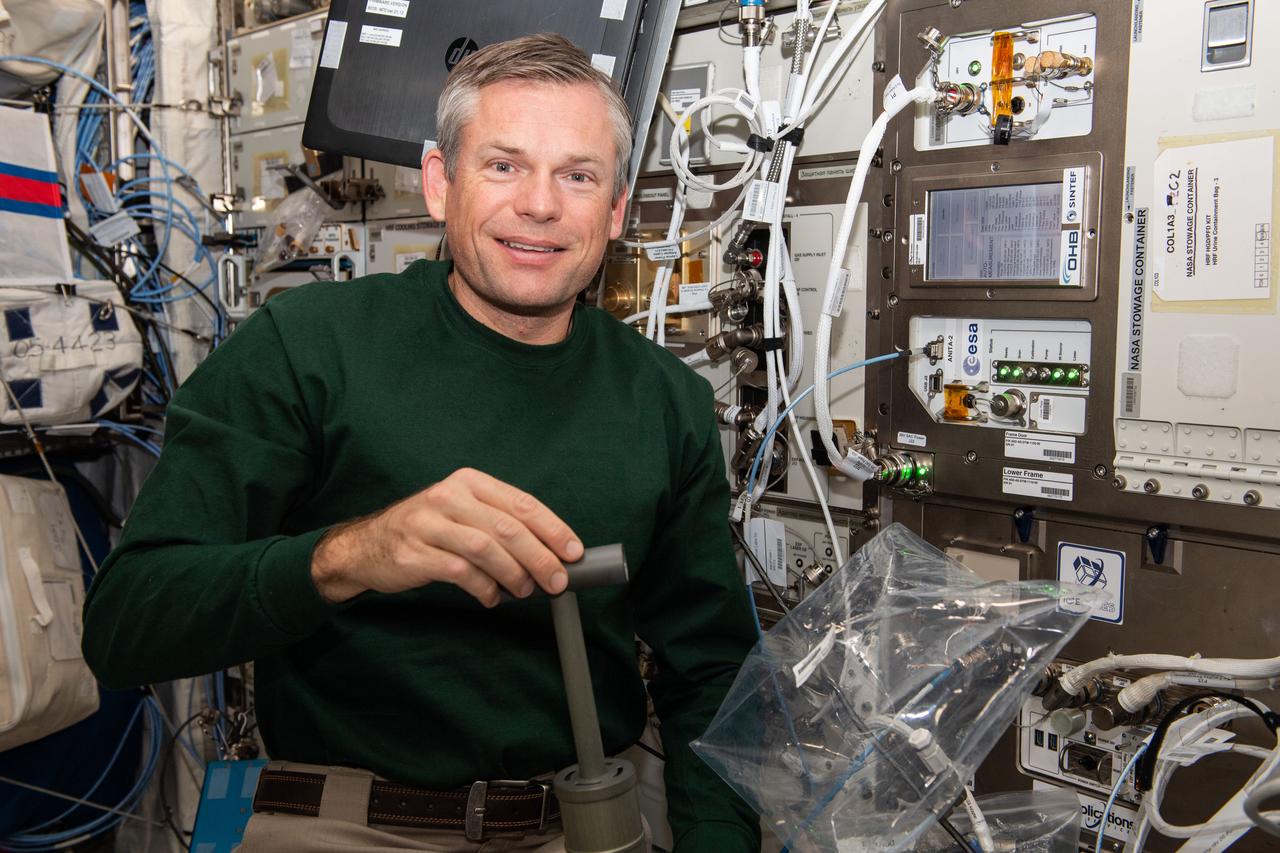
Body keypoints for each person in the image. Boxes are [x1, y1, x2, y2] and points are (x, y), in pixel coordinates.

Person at [82, 32, 761, 853]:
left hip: (580, 821)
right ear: (441, 184)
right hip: (343, 821)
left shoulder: (666, 402)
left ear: (615, 210)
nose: (540, 205)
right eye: (504, 165)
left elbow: (714, 675)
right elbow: (126, 624)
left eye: (577, 175)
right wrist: (347, 557)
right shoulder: (307, 348)